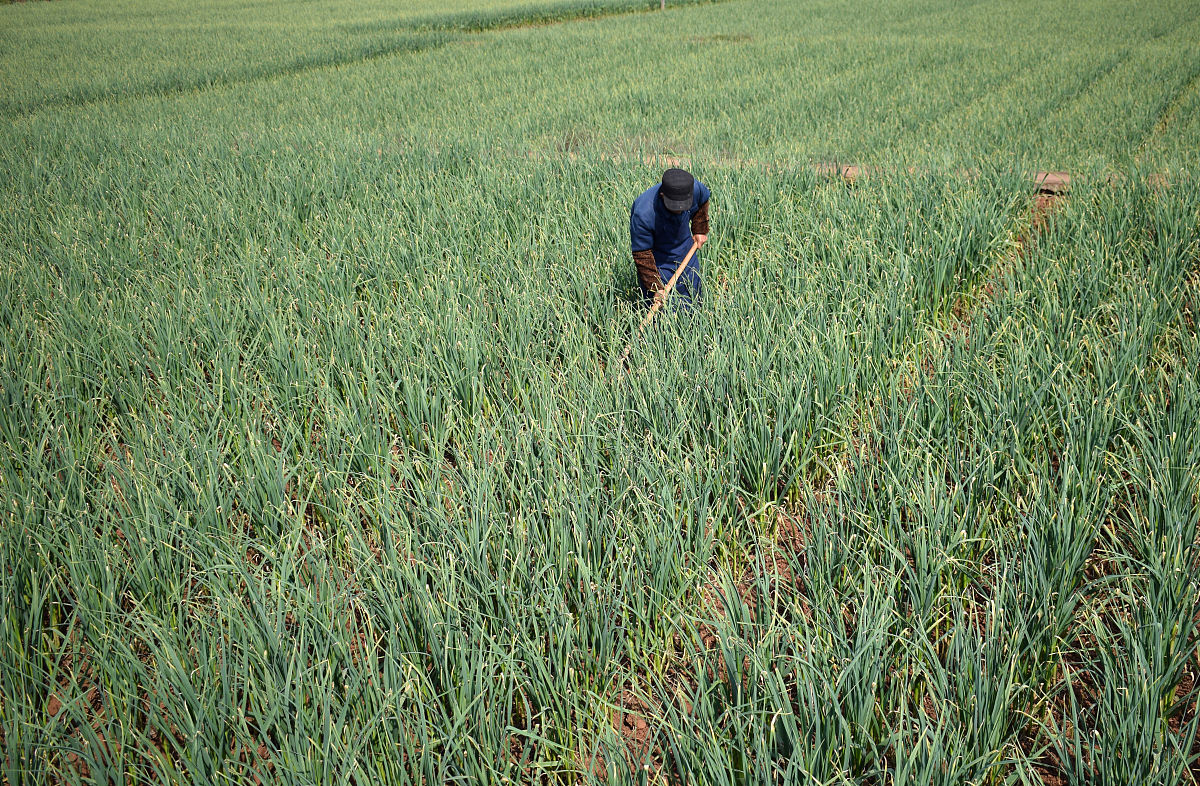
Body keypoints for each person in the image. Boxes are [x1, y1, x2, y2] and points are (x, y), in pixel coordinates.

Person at [630, 168, 710, 309]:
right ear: (662, 195)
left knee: (693, 302)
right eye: (675, 207)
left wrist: (700, 229)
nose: (679, 211)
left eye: (683, 206)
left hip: (686, 253)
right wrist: (655, 287)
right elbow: (642, 254)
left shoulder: (694, 188)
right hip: (658, 262)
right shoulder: (643, 213)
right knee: (662, 316)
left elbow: (703, 201)